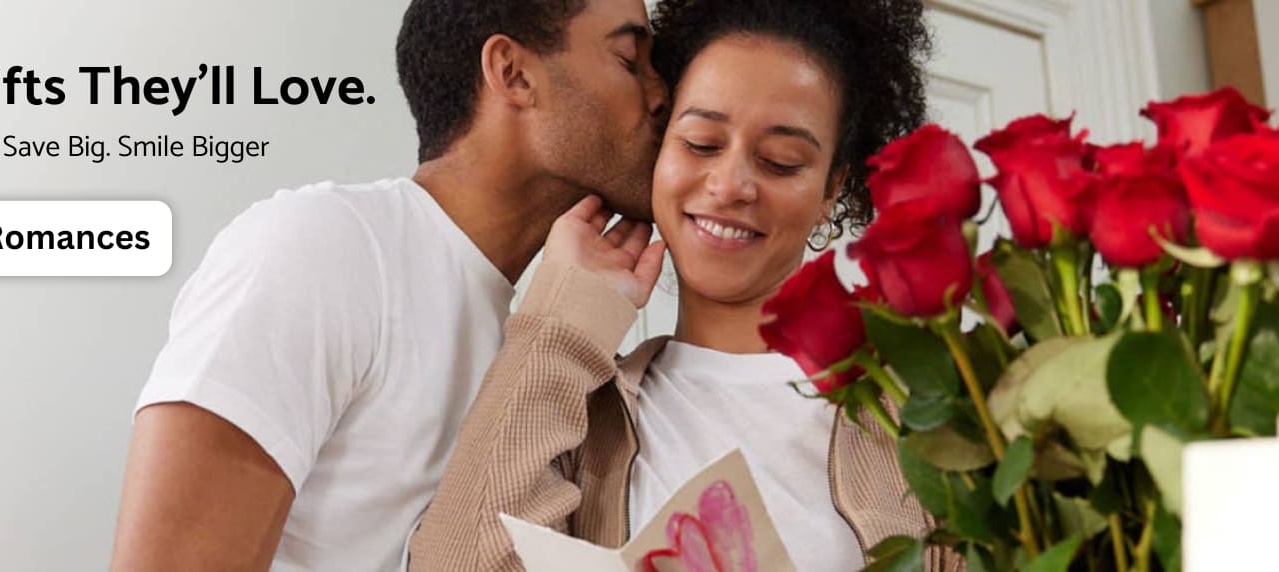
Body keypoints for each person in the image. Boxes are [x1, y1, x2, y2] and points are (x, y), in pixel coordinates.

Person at [109, 0, 667, 570]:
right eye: (630, 60)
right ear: (513, 74)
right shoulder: (325, 248)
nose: (661, 94)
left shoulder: (530, 352)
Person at [409, 0, 961, 570]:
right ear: (659, 148)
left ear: (830, 191)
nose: (731, 185)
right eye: (700, 143)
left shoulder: (921, 422)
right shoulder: (582, 416)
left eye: (780, 161)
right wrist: (560, 326)